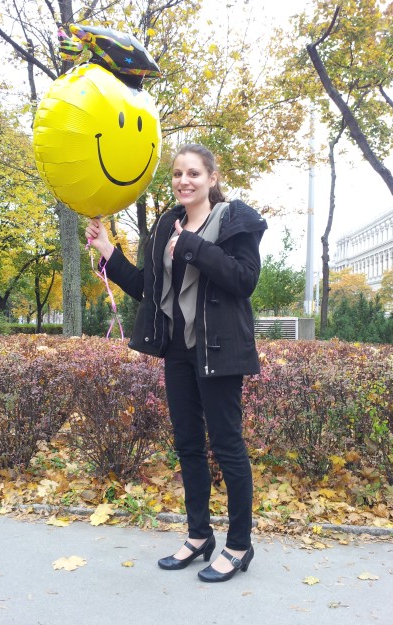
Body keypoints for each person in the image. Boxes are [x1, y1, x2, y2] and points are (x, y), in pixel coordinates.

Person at [85, 143, 267, 583]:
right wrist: (108, 249)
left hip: (219, 350)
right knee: (187, 445)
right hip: (179, 351)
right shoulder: (168, 224)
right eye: (177, 174)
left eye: (194, 173)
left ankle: (239, 545)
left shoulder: (234, 220)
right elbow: (147, 289)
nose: (184, 181)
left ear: (212, 178)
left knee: (227, 446)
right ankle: (199, 535)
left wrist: (191, 246)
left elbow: (244, 280)